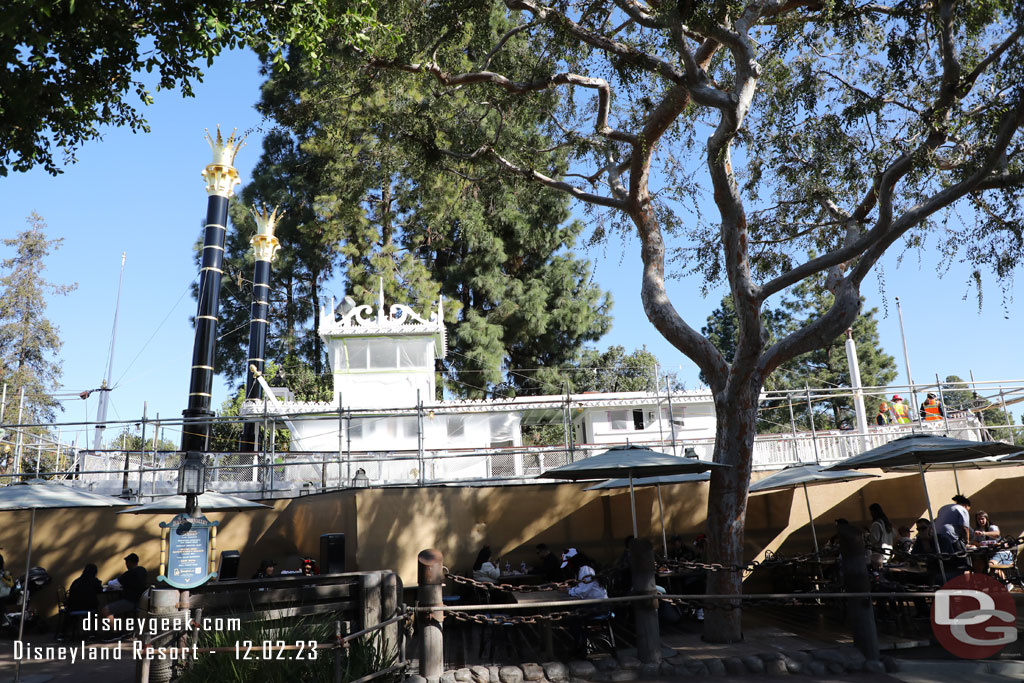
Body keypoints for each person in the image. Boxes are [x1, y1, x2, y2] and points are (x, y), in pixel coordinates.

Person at [100, 552, 149, 623]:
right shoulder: (143, 570)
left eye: (126, 562)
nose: (126, 564)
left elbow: (112, 584)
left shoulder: (129, 573)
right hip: (142, 601)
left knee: (105, 610)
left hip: (131, 601)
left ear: (129, 562)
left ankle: (115, 631)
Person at [934, 495, 972, 576]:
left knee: (945, 562)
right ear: (966, 505)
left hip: (937, 535)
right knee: (962, 562)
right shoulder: (962, 509)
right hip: (950, 536)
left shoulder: (944, 507)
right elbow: (965, 528)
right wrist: (967, 541)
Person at [867, 503, 895, 568]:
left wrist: (868, 536)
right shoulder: (887, 523)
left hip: (879, 555)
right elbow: (894, 534)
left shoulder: (876, 524)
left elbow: (874, 539)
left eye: (870, 512)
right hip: (889, 552)